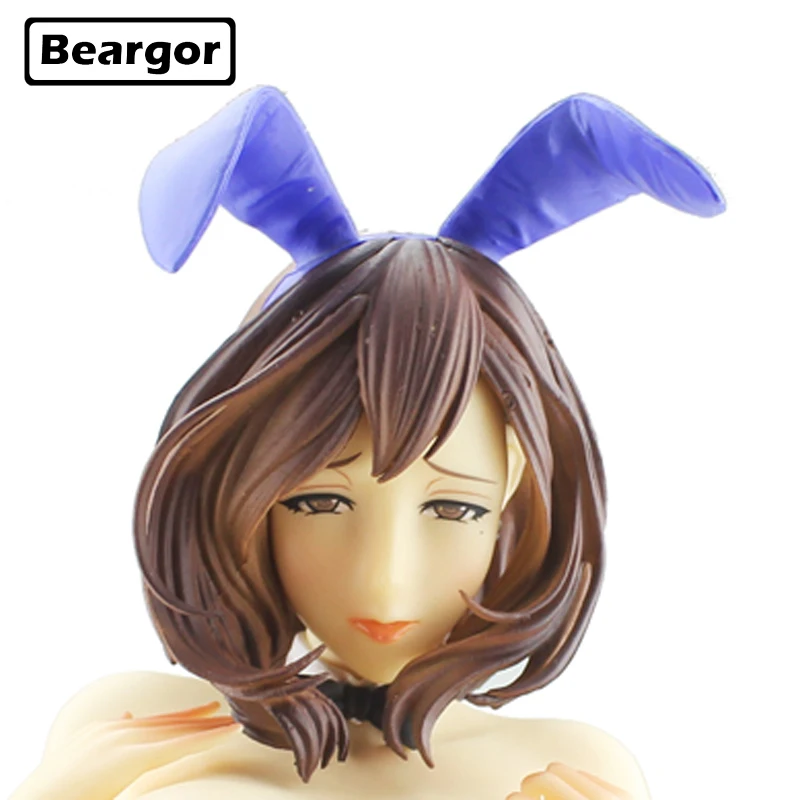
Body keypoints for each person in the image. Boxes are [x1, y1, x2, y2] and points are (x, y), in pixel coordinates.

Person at [11, 88, 724, 800]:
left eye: (454, 509)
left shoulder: (571, 765)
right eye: (320, 502)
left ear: (512, 482)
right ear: (245, 485)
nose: (386, 580)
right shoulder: (131, 724)